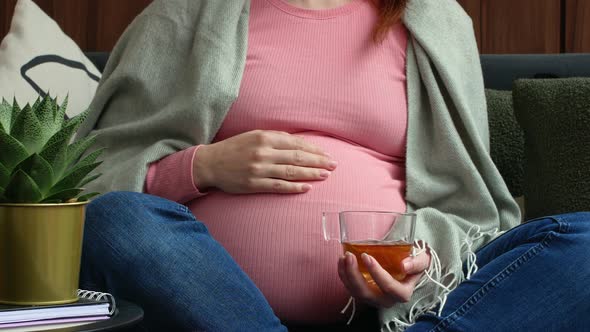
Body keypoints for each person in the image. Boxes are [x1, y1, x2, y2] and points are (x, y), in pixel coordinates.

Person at [77, 0, 590, 331]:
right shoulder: (182, 16)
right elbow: (90, 178)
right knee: (115, 219)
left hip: (404, 312)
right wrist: (200, 167)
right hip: (213, 305)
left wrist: (420, 264)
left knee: (583, 244)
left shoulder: (435, 20)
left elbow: (464, 200)